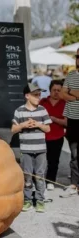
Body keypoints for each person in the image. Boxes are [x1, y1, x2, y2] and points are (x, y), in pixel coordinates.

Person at [11, 82, 52, 213]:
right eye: (35, 95)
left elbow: (48, 128)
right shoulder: (19, 111)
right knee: (27, 176)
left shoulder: (42, 110)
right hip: (26, 150)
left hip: (40, 149)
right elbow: (13, 129)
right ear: (27, 96)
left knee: (40, 175)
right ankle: (28, 200)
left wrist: (38, 124)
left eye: (39, 95)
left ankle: (40, 200)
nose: (38, 97)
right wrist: (23, 125)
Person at [39, 80, 67, 190]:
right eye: (54, 90)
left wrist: (53, 119)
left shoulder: (65, 104)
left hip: (57, 136)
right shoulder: (43, 102)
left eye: (58, 91)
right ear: (50, 90)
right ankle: (39, 181)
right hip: (42, 136)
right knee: (39, 161)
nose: (56, 92)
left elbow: (66, 122)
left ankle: (50, 181)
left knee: (53, 161)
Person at [59, 48, 79, 197]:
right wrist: (74, 95)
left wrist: (71, 92)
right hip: (72, 120)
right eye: (77, 56)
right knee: (74, 154)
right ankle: (74, 184)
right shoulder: (71, 74)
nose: (78, 59)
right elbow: (61, 93)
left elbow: (68, 92)